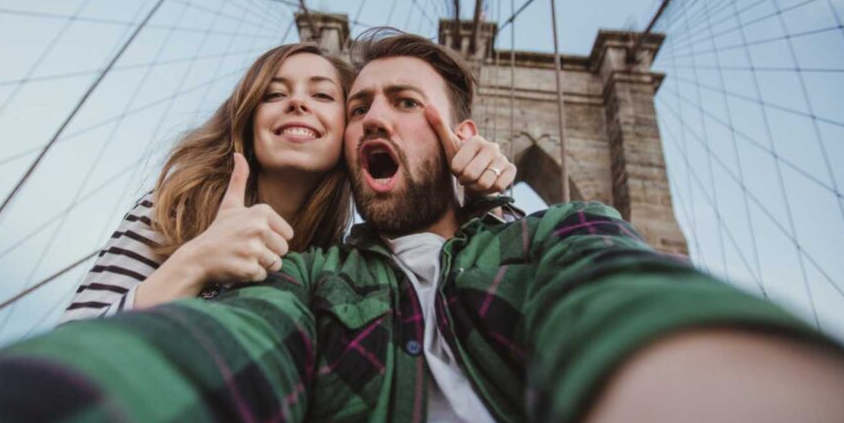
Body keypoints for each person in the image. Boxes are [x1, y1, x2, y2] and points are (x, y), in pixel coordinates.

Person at [0, 31, 844, 423]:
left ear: (455, 135)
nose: (345, 113)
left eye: (399, 103)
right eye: (356, 102)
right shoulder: (307, 283)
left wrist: (505, 197)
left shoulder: (547, 240)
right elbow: (213, 358)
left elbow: (604, 293)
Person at [61, 41, 515, 323]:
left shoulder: (340, 267)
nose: (297, 103)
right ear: (249, 119)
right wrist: (194, 263)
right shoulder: (177, 210)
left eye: (322, 95)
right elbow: (66, 357)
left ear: (346, 134)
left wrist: (486, 199)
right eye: (274, 94)